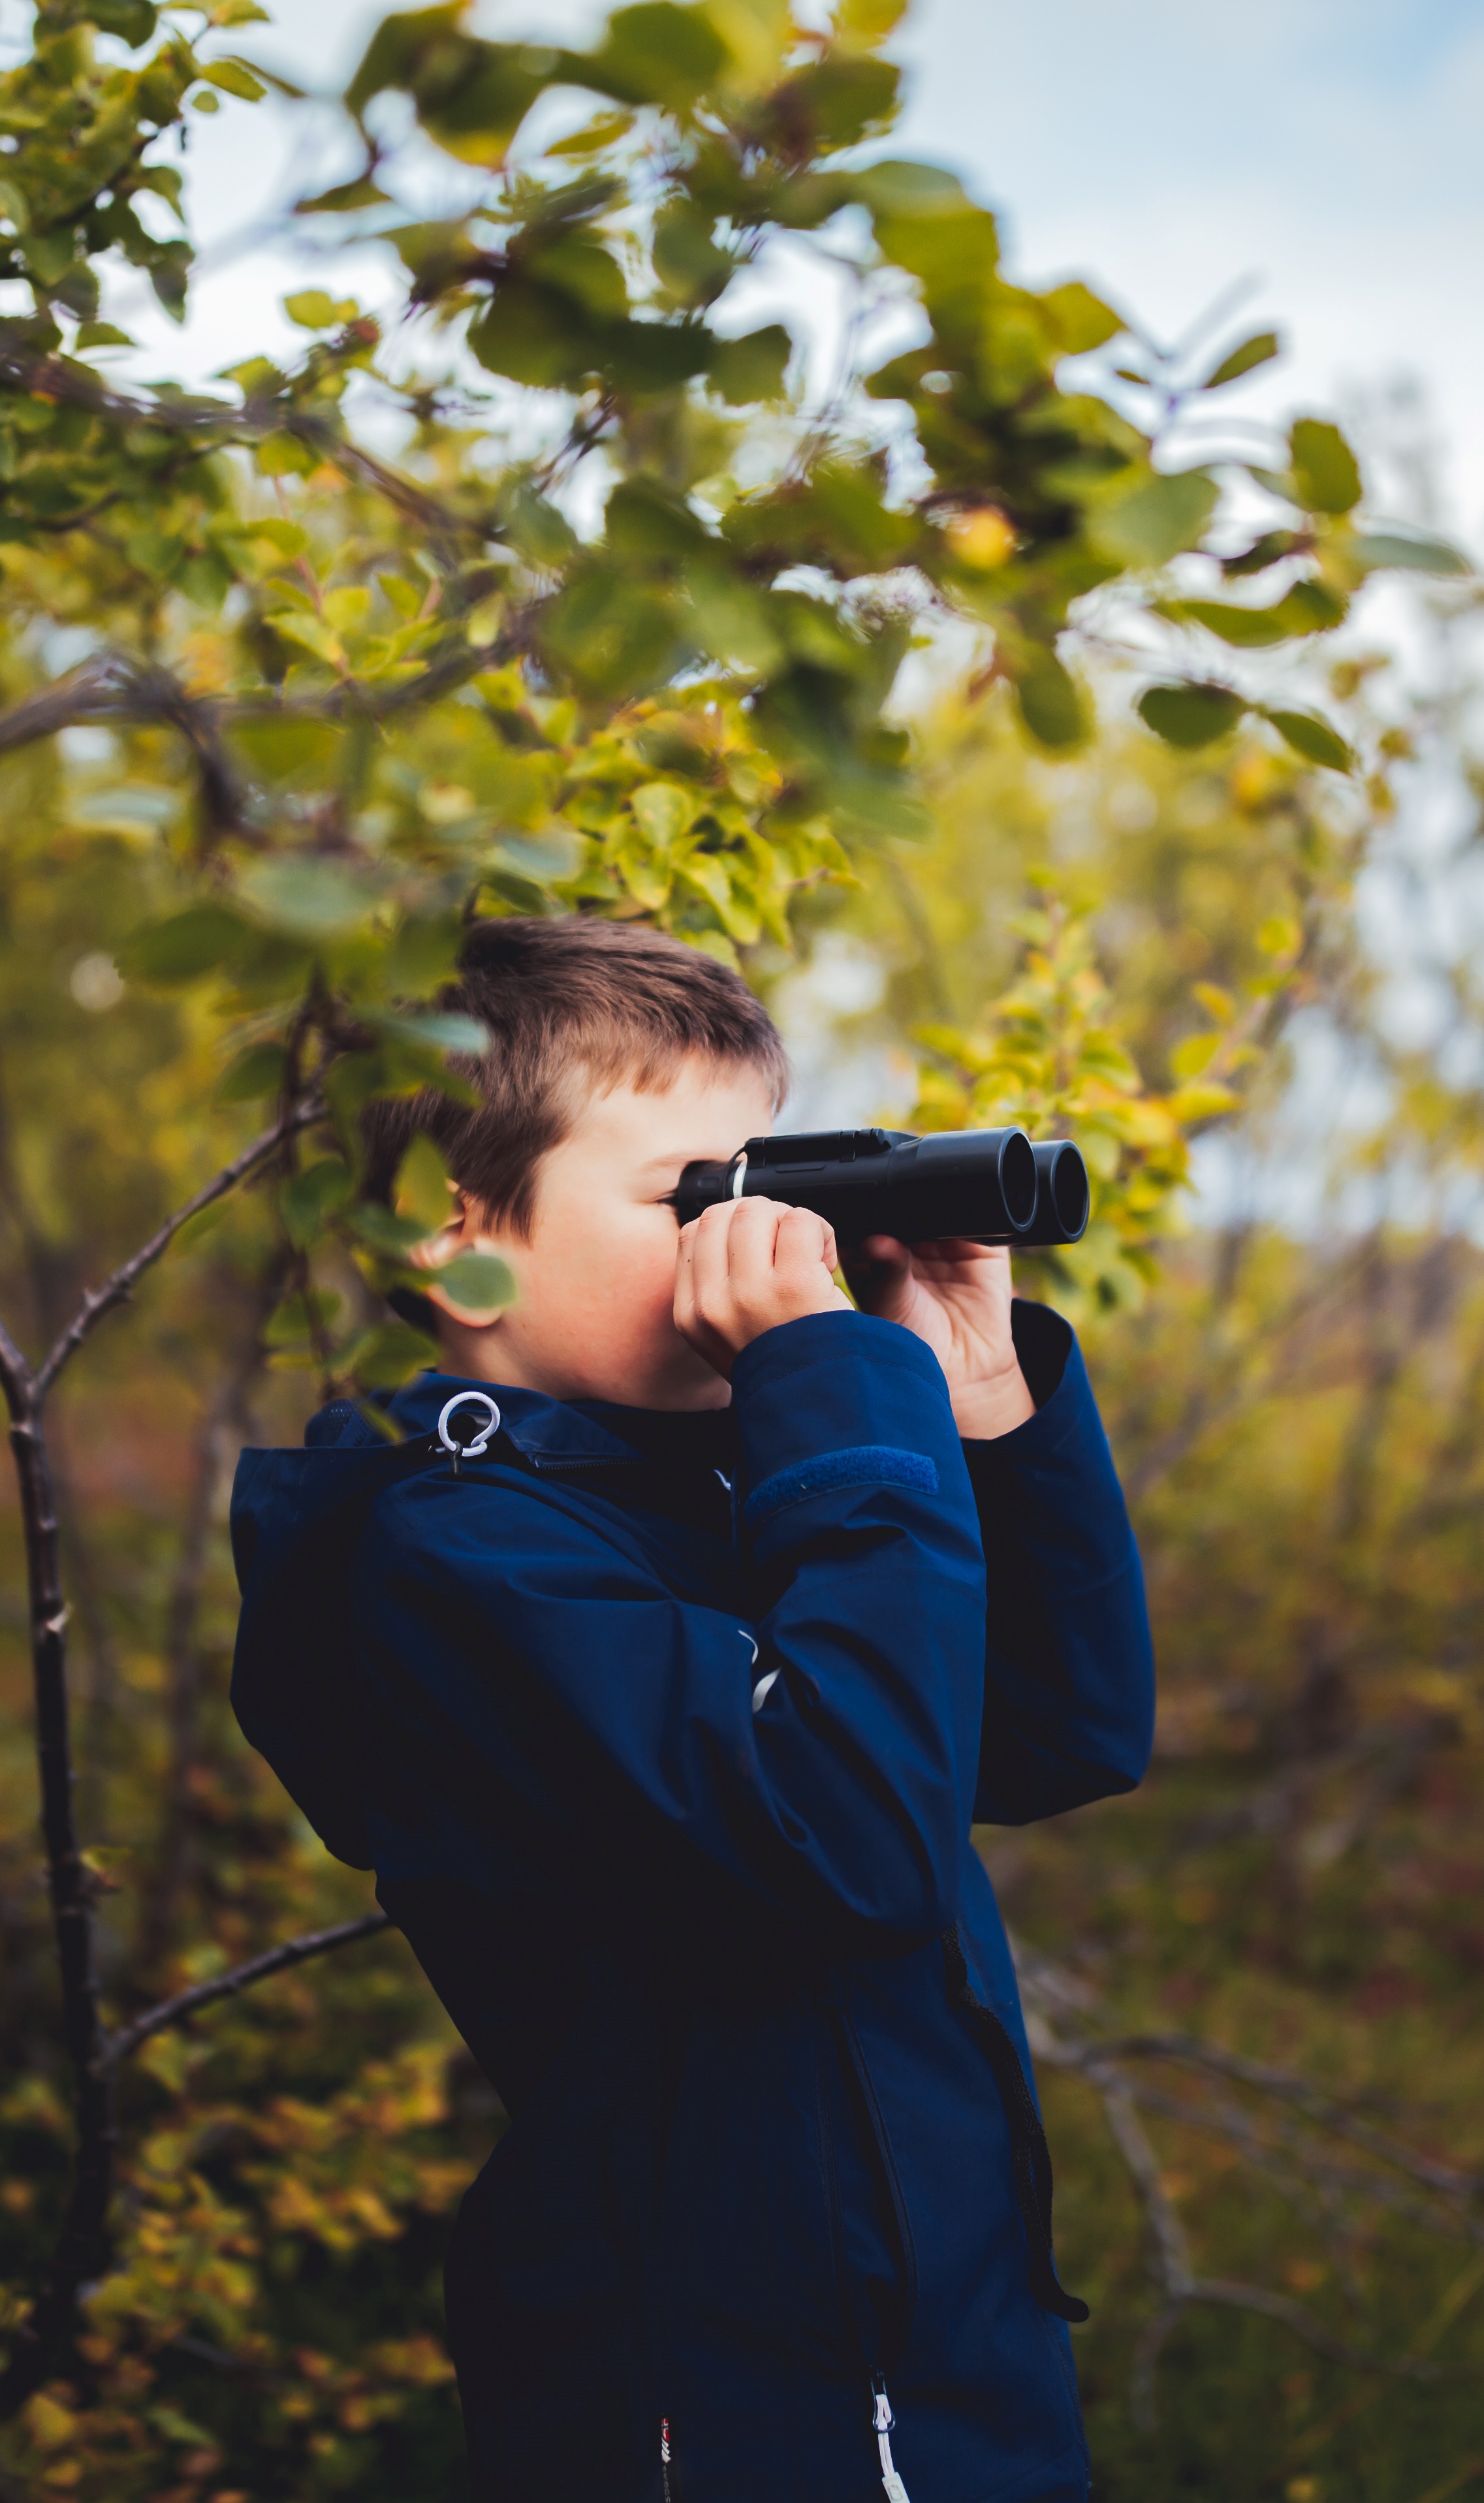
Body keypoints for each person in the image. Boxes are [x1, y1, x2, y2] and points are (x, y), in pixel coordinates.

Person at [229, 913, 1156, 2502]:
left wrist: (978, 1397)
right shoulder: (457, 1564)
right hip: (725, 2402)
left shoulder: (715, 1489)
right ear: (460, 1236)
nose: (761, 1238)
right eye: (692, 1199)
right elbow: (845, 1841)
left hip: (944, 2338)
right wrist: (836, 1398)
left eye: (770, 1182)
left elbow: (1053, 1737)